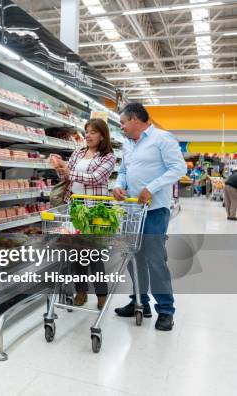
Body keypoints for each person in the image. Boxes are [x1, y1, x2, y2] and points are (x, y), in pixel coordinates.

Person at [113, 103, 187, 331]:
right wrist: (118, 185)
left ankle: (165, 310)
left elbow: (178, 168)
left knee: (155, 260)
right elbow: (124, 171)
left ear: (135, 119)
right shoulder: (127, 143)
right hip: (132, 210)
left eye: (123, 122)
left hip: (155, 210)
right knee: (132, 257)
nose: (122, 127)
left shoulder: (163, 139)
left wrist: (151, 188)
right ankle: (140, 302)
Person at [51, 118, 116, 309]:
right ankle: (80, 291)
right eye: (86, 131)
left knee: (95, 254)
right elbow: (66, 176)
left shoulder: (108, 156)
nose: (88, 135)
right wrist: (59, 168)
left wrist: (70, 173)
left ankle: (101, 294)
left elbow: (96, 178)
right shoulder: (78, 152)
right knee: (77, 253)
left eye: (93, 132)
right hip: (75, 207)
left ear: (103, 135)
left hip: (96, 209)